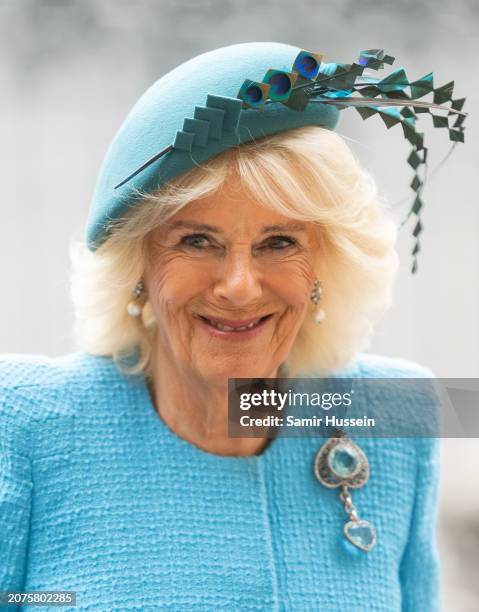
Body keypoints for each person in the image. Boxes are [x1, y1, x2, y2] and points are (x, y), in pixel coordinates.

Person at [0, 42, 449, 611]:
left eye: (279, 242)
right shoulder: (24, 422)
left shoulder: (396, 416)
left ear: (326, 268)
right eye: (196, 241)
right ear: (138, 265)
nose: (239, 286)